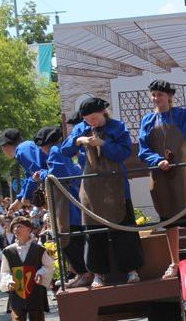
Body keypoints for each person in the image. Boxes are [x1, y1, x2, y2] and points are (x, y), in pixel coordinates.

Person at [137, 73, 186, 279]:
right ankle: (174, 263)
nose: (156, 98)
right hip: (159, 174)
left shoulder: (183, 114)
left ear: (169, 96)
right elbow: (143, 149)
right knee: (169, 220)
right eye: (153, 95)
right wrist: (157, 160)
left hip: (180, 172)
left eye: (160, 95)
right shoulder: (147, 120)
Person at [61, 96, 145, 288]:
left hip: (117, 185)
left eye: (94, 118)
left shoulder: (117, 127)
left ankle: (131, 270)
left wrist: (103, 144)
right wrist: (79, 140)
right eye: (88, 119)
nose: (91, 122)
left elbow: (124, 152)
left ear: (103, 112)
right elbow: (65, 151)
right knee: (93, 231)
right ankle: (98, 273)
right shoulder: (80, 128)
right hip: (91, 188)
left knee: (124, 227)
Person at [35, 123, 90, 288]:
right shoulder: (64, 151)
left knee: (68, 239)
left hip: (67, 206)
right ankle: (82, 273)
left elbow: (59, 174)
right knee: (76, 239)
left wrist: (42, 174)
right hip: (74, 202)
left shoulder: (54, 151)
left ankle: (84, 273)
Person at [0, 217, 55, 321]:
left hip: (35, 293)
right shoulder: (8, 251)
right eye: (14, 227)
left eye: (19, 227)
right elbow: (4, 272)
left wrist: (40, 274)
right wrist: (9, 281)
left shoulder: (38, 250)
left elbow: (48, 266)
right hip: (17, 295)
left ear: (29, 230)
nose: (16, 230)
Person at [0, 128, 48, 213]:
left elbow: (36, 174)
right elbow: (30, 177)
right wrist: (20, 200)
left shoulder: (22, 150)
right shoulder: (25, 147)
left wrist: (27, 196)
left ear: (5, 146)